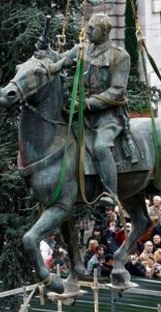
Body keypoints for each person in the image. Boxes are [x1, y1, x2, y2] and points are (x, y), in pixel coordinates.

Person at [60, 14, 130, 204]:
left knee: (100, 147)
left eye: (92, 28)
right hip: (80, 113)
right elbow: (61, 60)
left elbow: (116, 90)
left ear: (105, 31)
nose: (88, 31)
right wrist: (45, 54)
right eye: (88, 28)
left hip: (108, 116)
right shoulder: (82, 50)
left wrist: (87, 103)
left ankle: (110, 193)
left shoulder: (119, 56)